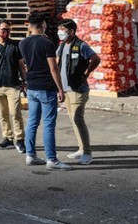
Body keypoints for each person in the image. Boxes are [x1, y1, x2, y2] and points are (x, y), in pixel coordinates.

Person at [18, 13, 70, 171]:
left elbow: (24, 65)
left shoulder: (22, 43)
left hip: (32, 85)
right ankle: (51, 159)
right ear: (43, 25)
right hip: (46, 86)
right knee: (48, 123)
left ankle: (31, 154)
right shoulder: (47, 43)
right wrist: (60, 88)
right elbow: (53, 68)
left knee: (32, 121)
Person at [56, 19, 101, 166]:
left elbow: (95, 58)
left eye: (63, 30)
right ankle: (81, 148)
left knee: (78, 119)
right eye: (59, 30)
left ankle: (87, 152)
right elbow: (57, 63)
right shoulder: (62, 46)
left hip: (78, 89)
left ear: (72, 31)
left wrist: (87, 73)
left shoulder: (81, 45)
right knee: (73, 119)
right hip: (66, 90)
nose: (60, 33)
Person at [0, 21, 26, 153]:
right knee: (3, 114)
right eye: (3, 30)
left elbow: (21, 64)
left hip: (13, 84)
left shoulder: (15, 46)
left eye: (8, 30)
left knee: (15, 113)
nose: (5, 33)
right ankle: (7, 137)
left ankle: (19, 139)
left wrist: (25, 81)